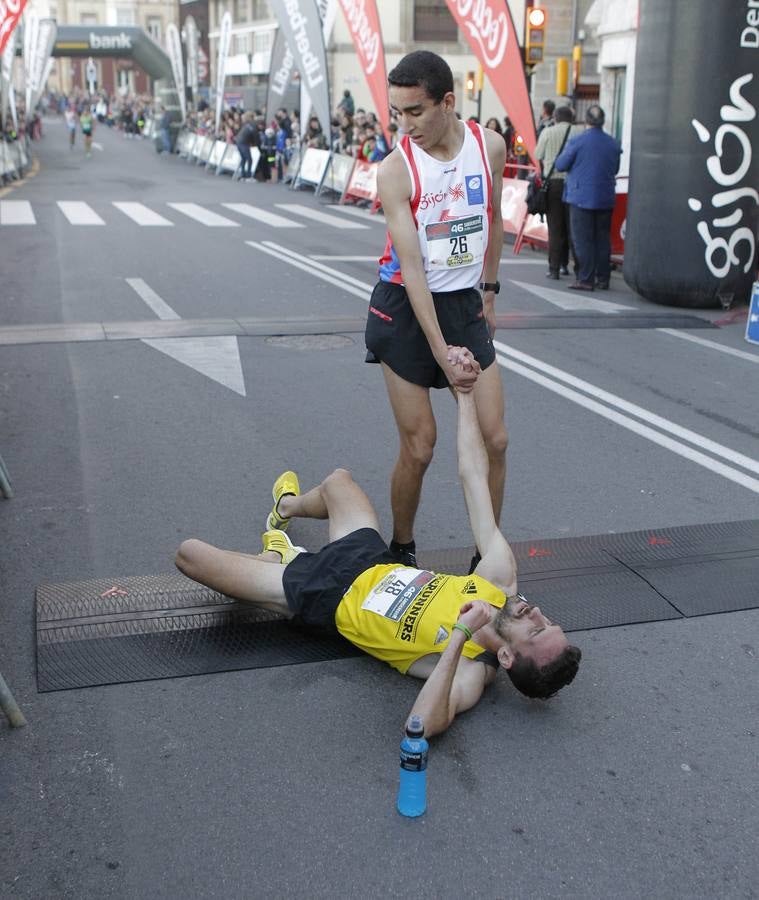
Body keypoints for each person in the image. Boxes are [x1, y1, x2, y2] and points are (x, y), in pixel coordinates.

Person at [175, 372, 581, 737]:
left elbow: (420, 724)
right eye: (549, 622)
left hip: (322, 593)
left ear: (506, 656)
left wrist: (461, 633)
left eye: (536, 631)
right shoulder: (499, 579)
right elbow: (474, 475)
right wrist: (465, 394)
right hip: (370, 558)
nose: (536, 613)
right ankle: (287, 508)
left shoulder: (472, 670)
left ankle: (281, 559)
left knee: (190, 554)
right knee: (338, 482)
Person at [364, 50, 507, 572]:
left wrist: (488, 292)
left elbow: (494, 217)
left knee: (495, 439)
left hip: (463, 302)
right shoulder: (396, 170)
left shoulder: (489, 147)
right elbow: (413, 270)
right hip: (406, 308)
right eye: (397, 113)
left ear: (448, 102)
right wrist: (442, 350)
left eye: (416, 112)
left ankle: (486, 558)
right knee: (421, 445)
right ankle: (401, 546)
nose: (406, 126)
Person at [555, 105, 622, 291]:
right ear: (603, 121)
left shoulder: (577, 141)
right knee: (603, 239)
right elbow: (615, 169)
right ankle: (603, 278)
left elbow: (561, 164)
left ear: (586, 120)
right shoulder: (613, 143)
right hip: (605, 196)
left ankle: (585, 279)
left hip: (580, 197)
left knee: (583, 240)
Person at [534, 105, 582, 279]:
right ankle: (577, 269)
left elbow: (538, 154)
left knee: (555, 228)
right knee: (573, 228)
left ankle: (554, 268)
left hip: (553, 183)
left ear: (555, 117)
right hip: (574, 183)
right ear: (572, 118)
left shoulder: (548, 132)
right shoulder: (580, 132)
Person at [235, 112, 258, 180]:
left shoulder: (245, 124)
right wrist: (255, 143)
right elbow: (254, 135)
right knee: (249, 159)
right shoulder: (252, 125)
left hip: (239, 142)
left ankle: (243, 173)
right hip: (244, 143)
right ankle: (248, 175)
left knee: (243, 158)